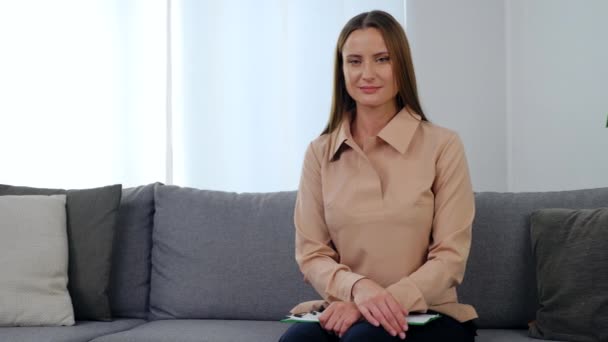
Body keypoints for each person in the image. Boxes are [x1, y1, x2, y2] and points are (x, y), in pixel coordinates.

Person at [279, 9, 477, 342]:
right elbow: (312, 254)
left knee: (364, 340)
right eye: (354, 61)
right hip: (343, 307)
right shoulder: (319, 152)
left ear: (401, 65)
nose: (366, 73)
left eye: (382, 59)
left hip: (427, 314)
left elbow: (450, 258)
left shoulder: (443, 145)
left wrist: (376, 303)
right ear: (341, 70)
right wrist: (357, 290)